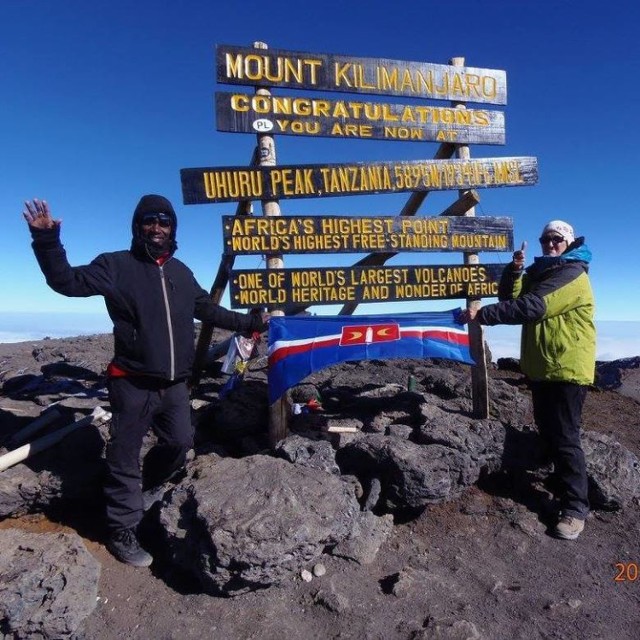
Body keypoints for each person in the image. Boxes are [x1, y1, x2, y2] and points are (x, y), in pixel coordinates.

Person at [23, 195, 268, 566]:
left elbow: (207, 309)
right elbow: (66, 281)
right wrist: (46, 241)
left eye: (164, 222)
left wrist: (250, 323)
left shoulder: (181, 272)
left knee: (180, 441)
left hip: (173, 384)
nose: (157, 227)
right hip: (131, 381)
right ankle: (121, 527)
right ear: (138, 227)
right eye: (149, 221)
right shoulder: (116, 265)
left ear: (172, 229)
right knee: (123, 455)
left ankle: (148, 486)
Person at [458, 220, 595, 540]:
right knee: (548, 429)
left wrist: (484, 315)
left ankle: (575, 508)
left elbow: (534, 307)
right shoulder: (544, 271)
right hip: (543, 366)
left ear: (569, 242)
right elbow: (511, 296)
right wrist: (515, 270)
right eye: (545, 239)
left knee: (564, 436)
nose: (549, 243)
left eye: (556, 239)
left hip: (566, 367)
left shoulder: (572, 273)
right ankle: (557, 481)